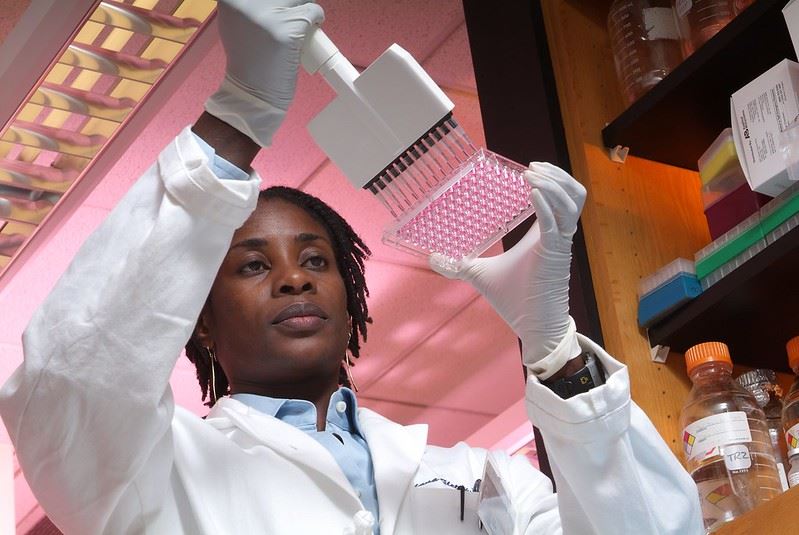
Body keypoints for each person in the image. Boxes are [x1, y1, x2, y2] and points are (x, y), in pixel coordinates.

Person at [0, 1, 703, 533]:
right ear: (199, 320)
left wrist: (554, 355)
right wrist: (237, 116)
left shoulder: (478, 478)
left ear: (351, 298)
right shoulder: (152, 469)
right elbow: (71, 379)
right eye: (251, 265)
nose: (295, 278)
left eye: (315, 258)